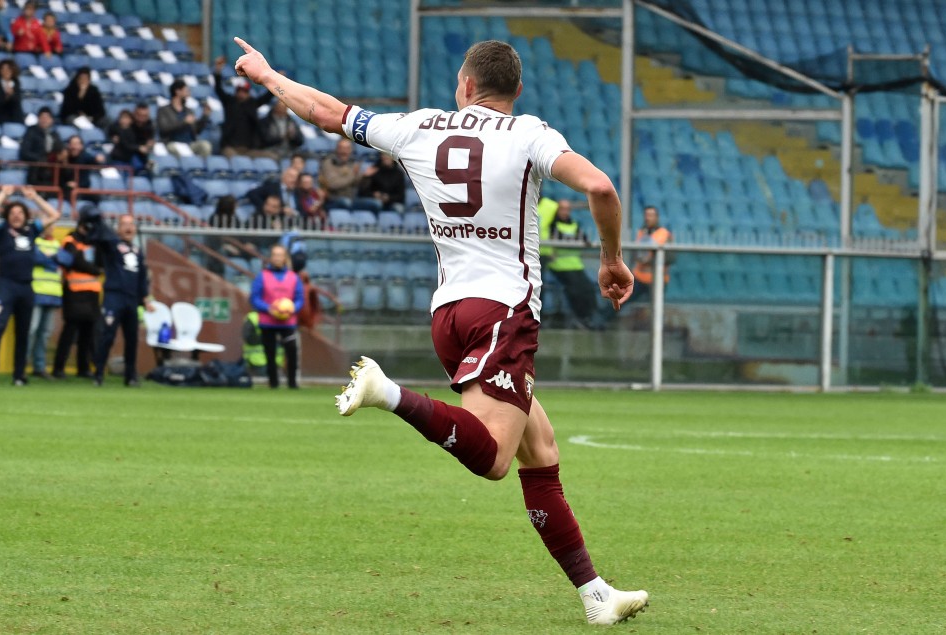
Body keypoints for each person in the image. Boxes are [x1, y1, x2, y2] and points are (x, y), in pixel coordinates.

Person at [233, 37, 646, 625]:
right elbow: (601, 187)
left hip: (449, 314)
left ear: (466, 85)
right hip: (505, 312)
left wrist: (268, 75)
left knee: (541, 452)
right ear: (515, 91)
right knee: (495, 460)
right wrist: (611, 258)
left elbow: (326, 112)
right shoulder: (531, 133)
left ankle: (595, 594)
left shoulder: (421, 126)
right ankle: (388, 392)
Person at [0, 185, 60, 385]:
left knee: (23, 331)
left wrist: (35, 197)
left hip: (26, 287)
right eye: (13, 213)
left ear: (26, 216)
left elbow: (54, 214)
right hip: (6, 284)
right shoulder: (2, 231)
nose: (16, 216)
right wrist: (3, 195)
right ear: (8, 216)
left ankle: (19, 374)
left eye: (20, 213)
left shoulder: (32, 230)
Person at [91, 213, 154, 387]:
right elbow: (102, 239)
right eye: (124, 224)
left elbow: (142, 278)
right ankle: (98, 373)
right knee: (107, 336)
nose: (128, 227)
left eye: (131, 224)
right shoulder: (112, 246)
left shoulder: (137, 251)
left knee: (132, 338)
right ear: (118, 229)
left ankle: (130, 375)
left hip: (131, 300)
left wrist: (146, 299)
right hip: (114, 297)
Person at [51, 206, 103, 379]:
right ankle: (58, 368)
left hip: (92, 292)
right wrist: (94, 270)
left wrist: (96, 269)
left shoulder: (95, 242)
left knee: (88, 333)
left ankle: (84, 368)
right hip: (73, 291)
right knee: (69, 331)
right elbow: (73, 261)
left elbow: (102, 263)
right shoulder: (70, 239)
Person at [248, 244, 303, 389]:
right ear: (271, 258)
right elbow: (254, 298)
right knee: (270, 353)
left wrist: (292, 308)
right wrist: (269, 308)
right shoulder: (262, 276)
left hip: (288, 322)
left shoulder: (293, 277)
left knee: (291, 351)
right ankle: (273, 383)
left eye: (280, 255)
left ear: (285, 258)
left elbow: (299, 299)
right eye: (275, 255)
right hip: (268, 321)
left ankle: (292, 383)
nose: (278, 258)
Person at [546, 199, 599, 329]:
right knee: (575, 290)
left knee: (588, 288)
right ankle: (580, 317)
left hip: (575, 264)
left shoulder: (574, 224)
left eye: (567, 209)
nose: (565, 212)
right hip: (559, 265)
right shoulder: (552, 225)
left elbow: (584, 239)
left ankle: (592, 316)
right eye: (562, 209)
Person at [214, 55, 274, 157]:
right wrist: (218, 71)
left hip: (249, 149)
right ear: (236, 92)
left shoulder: (252, 103)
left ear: (248, 93)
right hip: (230, 147)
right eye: (239, 91)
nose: (242, 94)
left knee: (271, 156)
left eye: (244, 91)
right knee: (235, 160)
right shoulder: (230, 102)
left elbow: (267, 96)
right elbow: (218, 89)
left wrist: (276, 82)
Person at [27, 222, 62, 378]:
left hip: (53, 294)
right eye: (49, 225)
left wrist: (49, 258)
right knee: (31, 330)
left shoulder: (56, 243)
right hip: (36, 292)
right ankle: (22, 363)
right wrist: (53, 260)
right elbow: (35, 258)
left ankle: (39, 366)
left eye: (53, 225)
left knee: (45, 332)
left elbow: (67, 259)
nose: (51, 228)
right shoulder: (34, 241)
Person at [157, 79, 212, 158]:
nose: (188, 94)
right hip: (173, 143)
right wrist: (184, 122)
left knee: (205, 146)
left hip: (190, 144)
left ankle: (199, 169)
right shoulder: (163, 110)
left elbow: (196, 131)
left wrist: (205, 116)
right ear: (178, 91)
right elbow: (164, 129)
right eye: (186, 91)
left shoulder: (188, 111)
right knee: (176, 149)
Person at [631, 205, 673, 303]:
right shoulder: (642, 232)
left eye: (651, 215)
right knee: (622, 299)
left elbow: (670, 258)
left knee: (655, 307)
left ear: (656, 217)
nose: (647, 218)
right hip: (639, 277)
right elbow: (635, 253)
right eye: (646, 215)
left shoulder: (664, 234)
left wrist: (650, 260)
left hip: (657, 279)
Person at [19, 105, 61, 185]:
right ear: (38, 119)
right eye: (42, 117)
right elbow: (24, 152)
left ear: (51, 120)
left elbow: (60, 150)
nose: (44, 120)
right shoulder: (31, 132)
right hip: (36, 171)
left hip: (52, 173)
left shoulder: (54, 135)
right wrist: (40, 159)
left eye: (47, 118)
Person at [57, 135, 105, 203]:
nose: (74, 147)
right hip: (67, 189)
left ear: (81, 146)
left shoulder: (85, 156)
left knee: (96, 197)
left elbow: (97, 163)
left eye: (77, 144)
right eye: (72, 144)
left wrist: (99, 159)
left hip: (82, 189)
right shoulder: (64, 157)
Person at [317, 138, 360, 209]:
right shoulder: (329, 163)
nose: (344, 151)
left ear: (351, 150)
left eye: (347, 148)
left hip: (353, 198)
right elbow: (332, 184)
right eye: (341, 148)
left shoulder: (353, 164)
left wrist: (366, 176)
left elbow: (358, 184)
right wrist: (352, 175)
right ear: (337, 149)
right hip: (334, 199)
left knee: (375, 203)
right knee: (346, 202)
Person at [107, 109, 153, 175]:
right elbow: (125, 144)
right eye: (123, 118)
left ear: (131, 120)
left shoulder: (134, 130)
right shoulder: (117, 130)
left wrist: (147, 144)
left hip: (130, 159)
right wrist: (138, 148)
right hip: (119, 159)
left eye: (127, 118)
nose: (125, 120)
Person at [0, 58, 24, 124]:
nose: (6, 71)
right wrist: (5, 97)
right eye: (3, 69)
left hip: (14, 120)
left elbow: (18, 104)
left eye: (9, 69)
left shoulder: (16, 86)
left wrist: (12, 95)